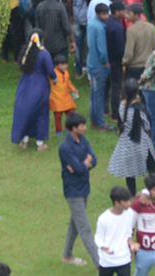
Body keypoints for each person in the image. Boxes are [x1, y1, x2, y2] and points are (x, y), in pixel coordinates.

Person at [59, 112, 100, 267]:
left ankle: (67, 256)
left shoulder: (83, 140)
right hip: (73, 190)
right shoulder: (65, 147)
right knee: (84, 227)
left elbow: (93, 160)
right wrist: (83, 165)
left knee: (75, 223)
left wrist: (82, 165)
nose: (85, 127)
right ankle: (99, 264)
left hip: (84, 187)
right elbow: (80, 167)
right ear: (74, 128)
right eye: (82, 125)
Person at [109, 78, 155, 196]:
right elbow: (147, 125)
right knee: (152, 167)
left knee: (129, 171)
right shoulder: (138, 108)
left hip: (126, 141)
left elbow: (121, 120)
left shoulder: (122, 106)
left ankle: (131, 194)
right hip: (141, 141)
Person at [12, 32, 57, 150]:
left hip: (25, 84)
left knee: (27, 111)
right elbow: (51, 71)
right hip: (40, 86)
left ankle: (25, 142)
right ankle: (40, 143)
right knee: (41, 113)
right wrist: (55, 79)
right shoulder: (44, 54)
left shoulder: (25, 53)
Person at [94, 186, 137, 276]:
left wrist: (131, 244)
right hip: (107, 260)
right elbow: (98, 238)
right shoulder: (104, 218)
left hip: (124, 259)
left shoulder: (130, 214)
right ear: (117, 203)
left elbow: (128, 232)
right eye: (126, 201)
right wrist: (104, 247)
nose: (129, 203)